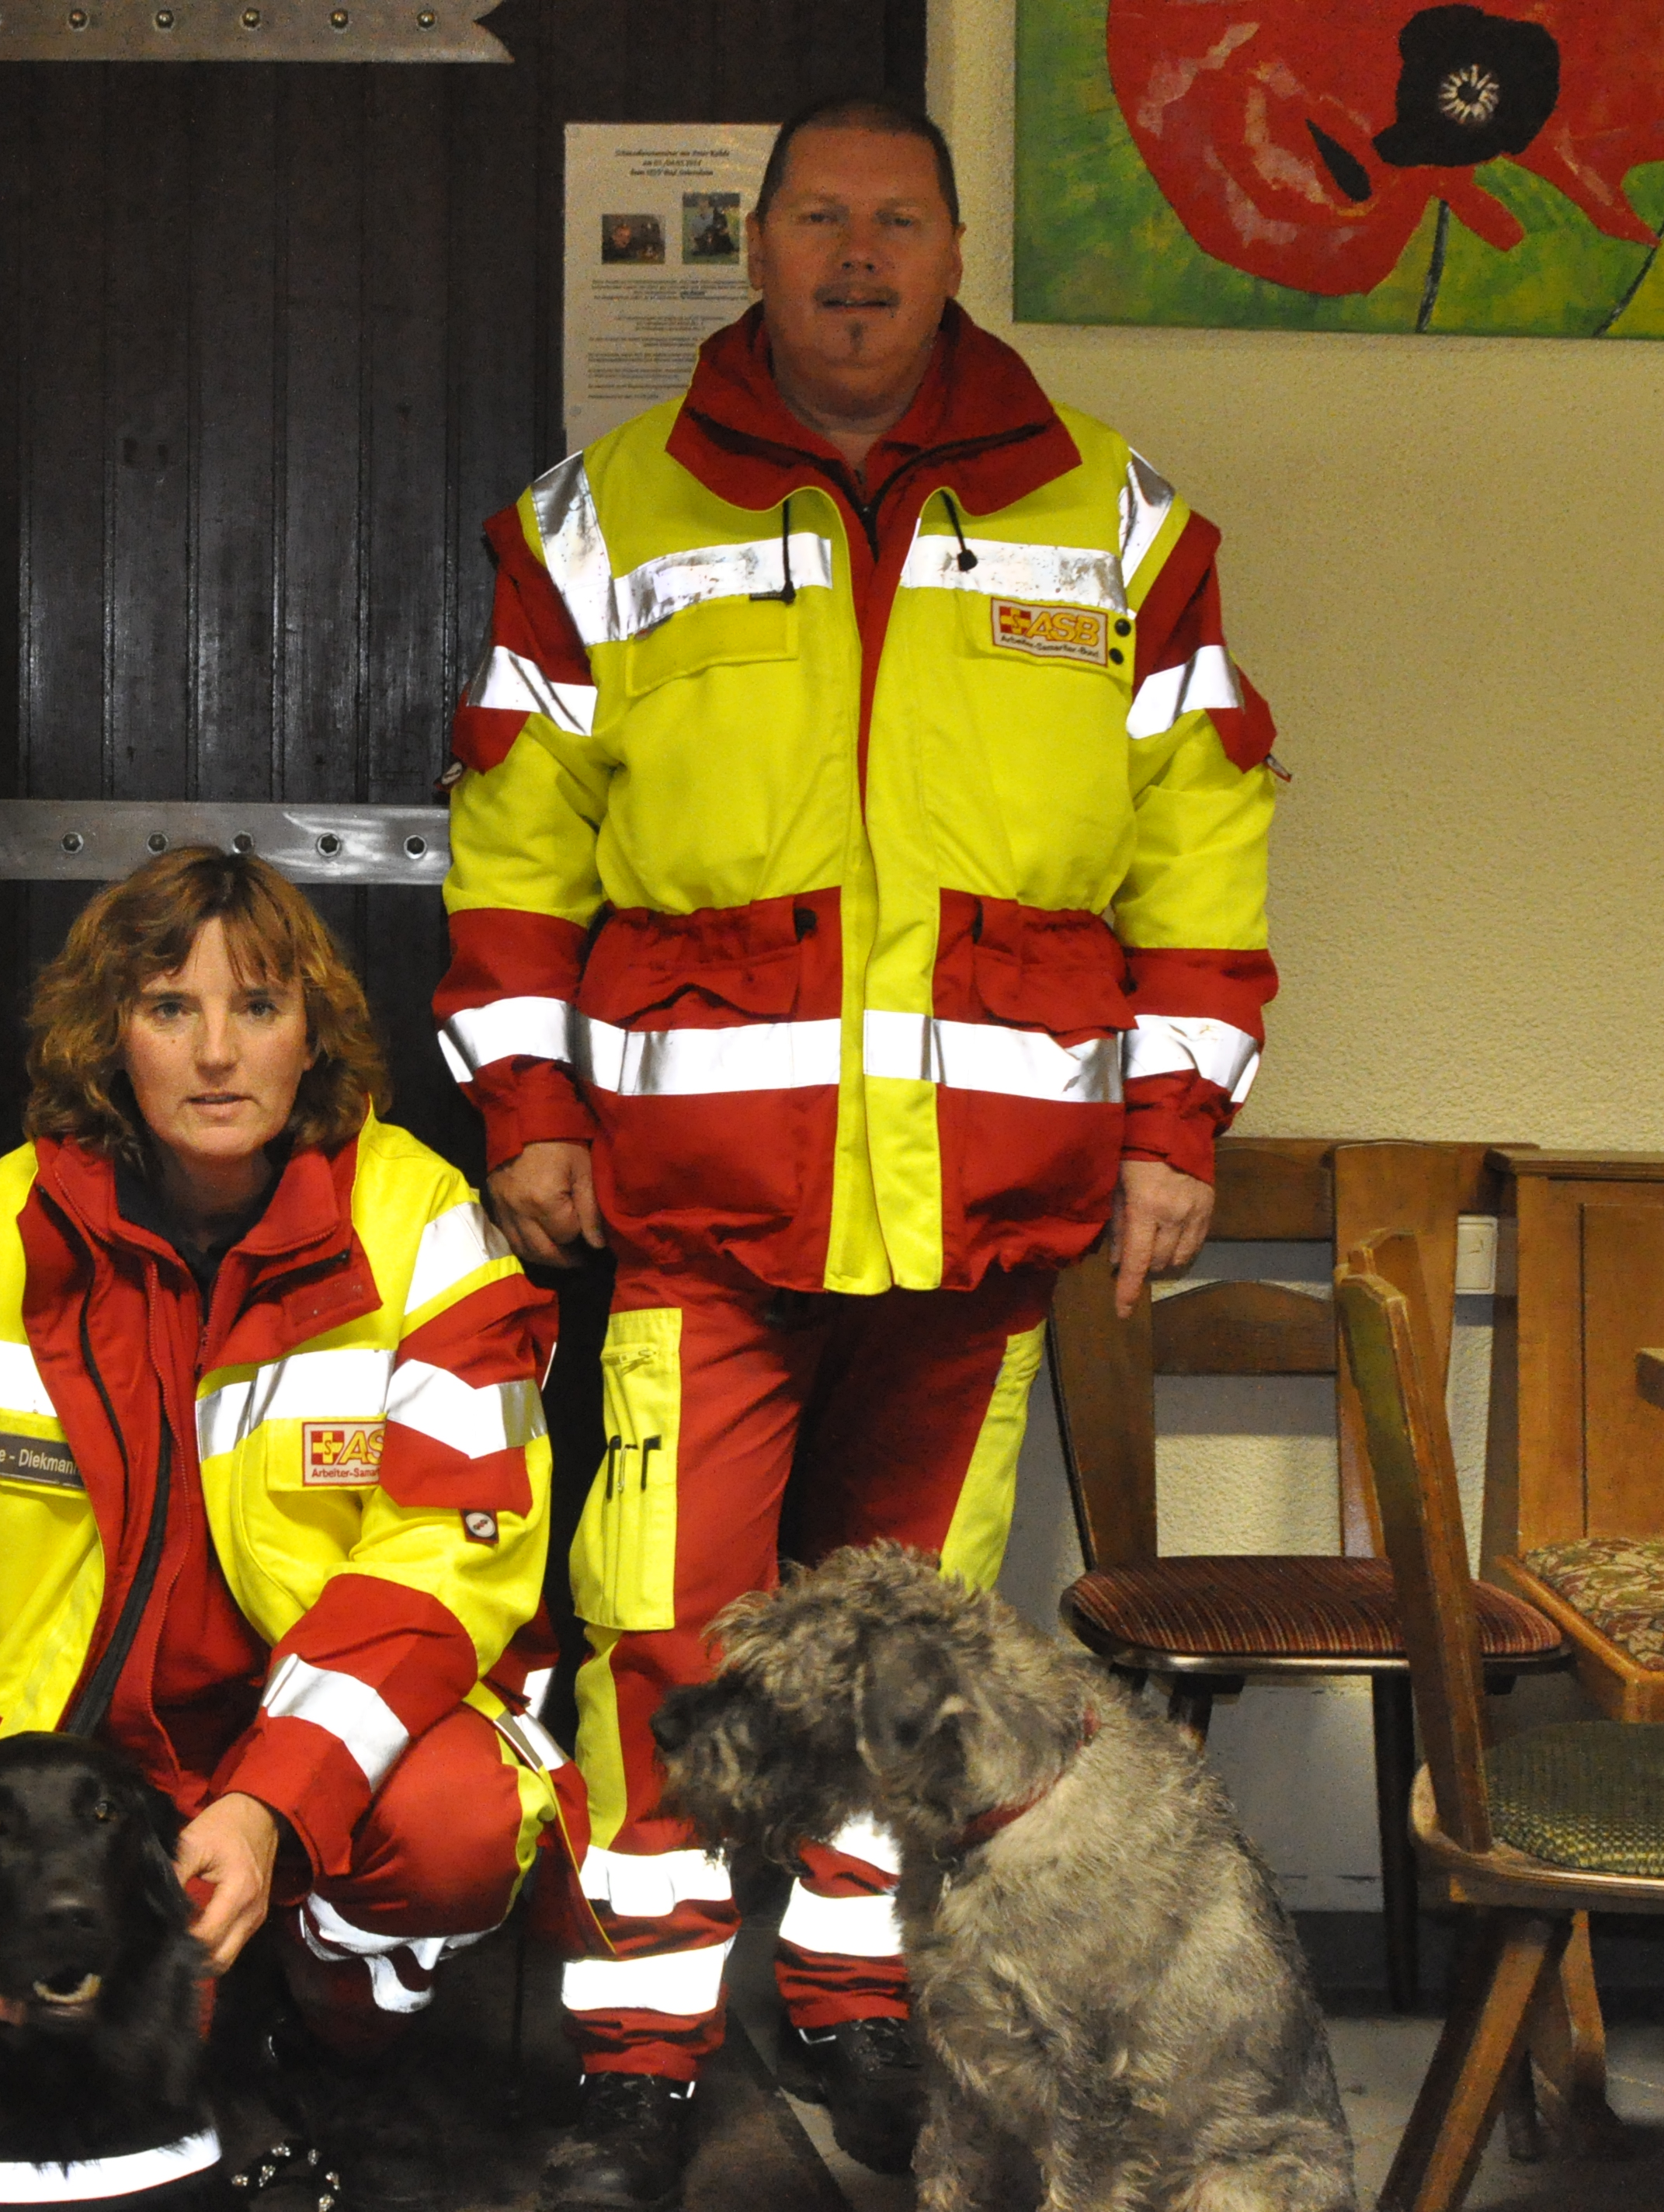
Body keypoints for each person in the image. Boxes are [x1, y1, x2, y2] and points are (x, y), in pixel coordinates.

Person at [436, 94, 1279, 2205]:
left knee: (912, 1656)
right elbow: (517, 843)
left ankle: (845, 2006)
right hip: (695, 1220)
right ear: (759, 241)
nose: (856, 254)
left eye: (897, 220)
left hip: (988, 1219)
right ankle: (638, 2043)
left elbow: (1205, 839)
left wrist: (1175, 1127)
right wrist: (529, 1109)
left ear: (954, 245)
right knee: (673, 1629)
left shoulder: (1122, 522)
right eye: (820, 217)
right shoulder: (601, 517)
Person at [0, 849, 575, 2186]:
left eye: (259, 1008)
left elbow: (441, 1572)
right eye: (169, 1010)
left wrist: (275, 1804)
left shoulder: (425, 1231)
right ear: (113, 1039)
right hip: (72, 1762)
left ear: (312, 1036)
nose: (217, 1054)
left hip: (319, 1739)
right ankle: (180, 2012)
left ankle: (330, 2023)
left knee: (451, 1822)